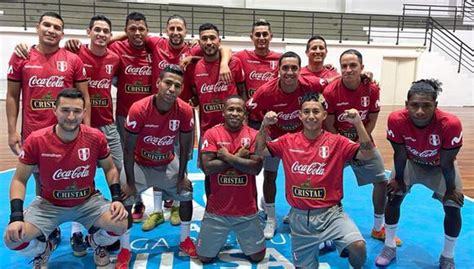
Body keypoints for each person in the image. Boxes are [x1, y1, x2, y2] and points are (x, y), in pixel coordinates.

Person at [3, 88, 128, 268]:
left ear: (84, 113)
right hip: (49, 205)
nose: (71, 117)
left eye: (76, 111)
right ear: (54, 110)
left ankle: (96, 241)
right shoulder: (36, 140)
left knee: (121, 223)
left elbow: (110, 169)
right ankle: (42, 250)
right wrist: (16, 217)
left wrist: (116, 199)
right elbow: (19, 179)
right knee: (12, 239)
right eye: (65, 110)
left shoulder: (95, 137)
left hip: (87, 201)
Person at [255, 92, 374, 269]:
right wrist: (264, 124)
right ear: (300, 115)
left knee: (358, 247)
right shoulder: (287, 141)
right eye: (307, 111)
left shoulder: (337, 141)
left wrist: (358, 123)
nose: (311, 116)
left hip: (331, 214)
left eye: (316, 111)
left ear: (324, 115)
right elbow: (260, 151)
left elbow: (367, 153)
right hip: (299, 219)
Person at [6, 11, 89, 252]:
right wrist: (13, 131)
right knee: (41, 182)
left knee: (77, 177)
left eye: (57, 27)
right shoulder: (21, 56)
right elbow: (12, 96)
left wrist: (88, 128)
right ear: (37, 27)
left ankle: (76, 232)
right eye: (47, 25)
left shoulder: (72, 60)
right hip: (34, 134)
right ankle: (50, 230)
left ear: (63, 33)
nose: (51, 30)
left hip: (70, 133)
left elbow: (85, 98)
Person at [375, 79, 464, 269]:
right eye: (414, 105)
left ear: (436, 106)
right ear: (406, 105)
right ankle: (389, 246)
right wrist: (398, 180)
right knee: (393, 195)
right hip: (411, 163)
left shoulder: (451, 124)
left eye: (427, 106)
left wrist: (451, 190)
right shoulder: (396, 119)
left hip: (441, 167)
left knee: (453, 206)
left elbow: (448, 162)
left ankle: (447, 257)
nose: (420, 111)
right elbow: (399, 154)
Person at [323, 49, 402, 247]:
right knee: (322, 179)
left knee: (381, 182)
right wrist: (345, 147)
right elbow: (329, 125)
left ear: (362, 68)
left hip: (363, 140)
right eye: (344, 66)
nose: (348, 70)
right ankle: (325, 225)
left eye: (353, 65)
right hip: (337, 142)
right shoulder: (331, 91)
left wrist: (360, 144)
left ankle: (378, 227)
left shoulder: (372, 88)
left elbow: (373, 119)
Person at [246, 51, 328, 239]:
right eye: (285, 68)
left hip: (301, 139)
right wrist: (262, 126)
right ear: (278, 70)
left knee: (302, 177)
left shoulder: (310, 84)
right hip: (275, 139)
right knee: (270, 176)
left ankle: (296, 212)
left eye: (294, 68)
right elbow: (248, 109)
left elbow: (333, 83)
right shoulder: (266, 91)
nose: (289, 72)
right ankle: (271, 218)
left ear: (300, 70)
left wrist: (366, 78)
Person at [121, 65, 197, 260]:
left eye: (177, 86)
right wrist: (129, 183)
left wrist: (181, 178)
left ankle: (185, 239)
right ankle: (125, 249)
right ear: (158, 83)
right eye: (168, 83)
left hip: (167, 162)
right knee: (123, 198)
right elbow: (128, 150)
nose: (172, 89)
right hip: (140, 164)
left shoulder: (186, 110)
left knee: (187, 191)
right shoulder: (139, 108)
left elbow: (186, 149)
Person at [198, 95, 265, 263]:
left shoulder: (254, 135)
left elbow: (255, 168)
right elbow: (207, 168)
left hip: (246, 211)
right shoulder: (212, 133)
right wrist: (239, 158)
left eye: (239, 110)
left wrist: (229, 157)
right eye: (231, 109)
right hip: (217, 211)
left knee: (258, 257)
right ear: (223, 112)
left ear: (245, 114)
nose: (235, 113)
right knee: (204, 257)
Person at [234, 19, 281, 100]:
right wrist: (224, 63)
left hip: (270, 107)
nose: (261, 38)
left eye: (265, 34)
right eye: (258, 34)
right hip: (251, 109)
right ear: (251, 37)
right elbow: (222, 51)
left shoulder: (279, 58)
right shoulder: (243, 56)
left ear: (271, 37)